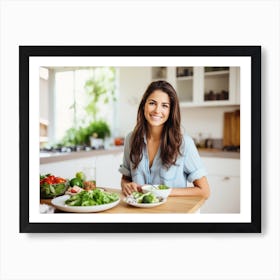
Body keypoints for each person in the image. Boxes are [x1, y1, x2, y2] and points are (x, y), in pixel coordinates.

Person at [118, 80, 210, 199]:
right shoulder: (131, 139)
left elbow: (204, 191)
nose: (157, 110)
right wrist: (126, 186)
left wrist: (163, 192)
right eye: (152, 103)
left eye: (164, 106)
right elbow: (126, 179)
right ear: (143, 105)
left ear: (171, 111)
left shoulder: (183, 143)